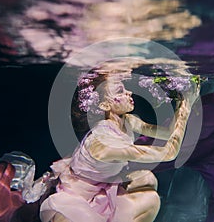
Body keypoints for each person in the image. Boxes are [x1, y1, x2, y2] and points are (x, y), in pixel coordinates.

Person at [39, 71, 200, 222]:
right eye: (119, 91)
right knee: (152, 200)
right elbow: (169, 153)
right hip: (75, 201)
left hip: (98, 187)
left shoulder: (127, 121)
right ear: (104, 105)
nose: (129, 92)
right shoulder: (103, 143)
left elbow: (169, 133)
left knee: (147, 178)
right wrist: (186, 107)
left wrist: (182, 104)